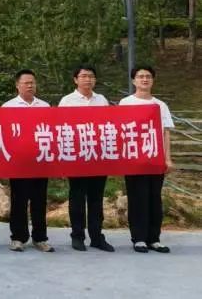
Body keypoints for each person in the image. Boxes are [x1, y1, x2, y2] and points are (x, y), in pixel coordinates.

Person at [58, 64, 115, 252]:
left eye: (91, 76)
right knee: (77, 197)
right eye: (83, 76)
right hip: (76, 157)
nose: (87, 79)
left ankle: (97, 237)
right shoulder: (67, 101)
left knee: (96, 199)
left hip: (98, 156)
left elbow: (108, 126)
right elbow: (60, 130)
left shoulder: (102, 100)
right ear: (75, 80)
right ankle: (77, 236)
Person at [119, 65, 174, 253]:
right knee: (137, 198)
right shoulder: (125, 103)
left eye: (148, 76)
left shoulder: (160, 105)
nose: (144, 79)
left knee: (154, 198)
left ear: (153, 80)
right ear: (133, 80)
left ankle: (154, 239)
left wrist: (168, 158)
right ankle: (139, 238)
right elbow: (120, 131)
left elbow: (166, 133)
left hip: (155, 160)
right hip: (134, 160)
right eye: (140, 76)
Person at [2, 69, 54, 253]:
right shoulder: (8, 107)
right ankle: (18, 237)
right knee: (19, 201)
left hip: (40, 161)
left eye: (32, 82)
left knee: (39, 200)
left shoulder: (45, 106)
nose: (30, 86)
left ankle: (40, 238)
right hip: (18, 162)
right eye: (26, 83)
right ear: (17, 85)